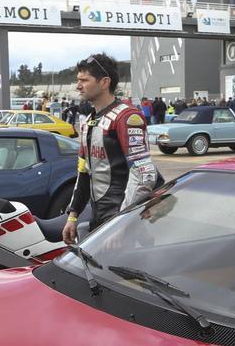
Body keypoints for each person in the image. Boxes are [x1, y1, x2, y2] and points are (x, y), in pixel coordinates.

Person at [62, 53, 162, 244]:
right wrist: (73, 215)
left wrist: (122, 224)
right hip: (100, 219)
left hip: (125, 224)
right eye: (78, 80)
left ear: (104, 82)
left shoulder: (127, 117)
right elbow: (83, 173)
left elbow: (144, 173)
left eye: (84, 80)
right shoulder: (89, 122)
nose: (78, 86)